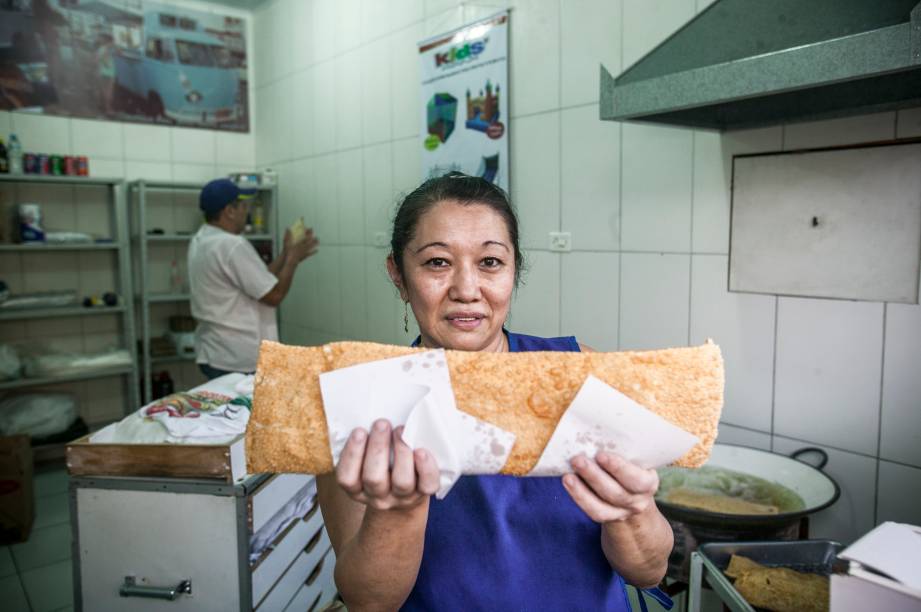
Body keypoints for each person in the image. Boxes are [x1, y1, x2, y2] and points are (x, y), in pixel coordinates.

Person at [316, 173, 674, 610]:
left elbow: (649, 570)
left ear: (514, 269)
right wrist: (398, 510)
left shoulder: (580, 376)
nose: (467, 290)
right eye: (437, 263)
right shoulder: (360, 406)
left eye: (489, 263)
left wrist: (631, 509)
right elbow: (369, 602)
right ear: (398, 273)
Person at [189, 178, 318, 379]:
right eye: (242, 206)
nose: (246, 213)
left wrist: (285, 253)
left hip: (215, 351)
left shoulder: (202, 239)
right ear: (229, 211)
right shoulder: (231, 245)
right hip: (238, 358)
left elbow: (257, 279)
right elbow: (274, 296)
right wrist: (293, 259)